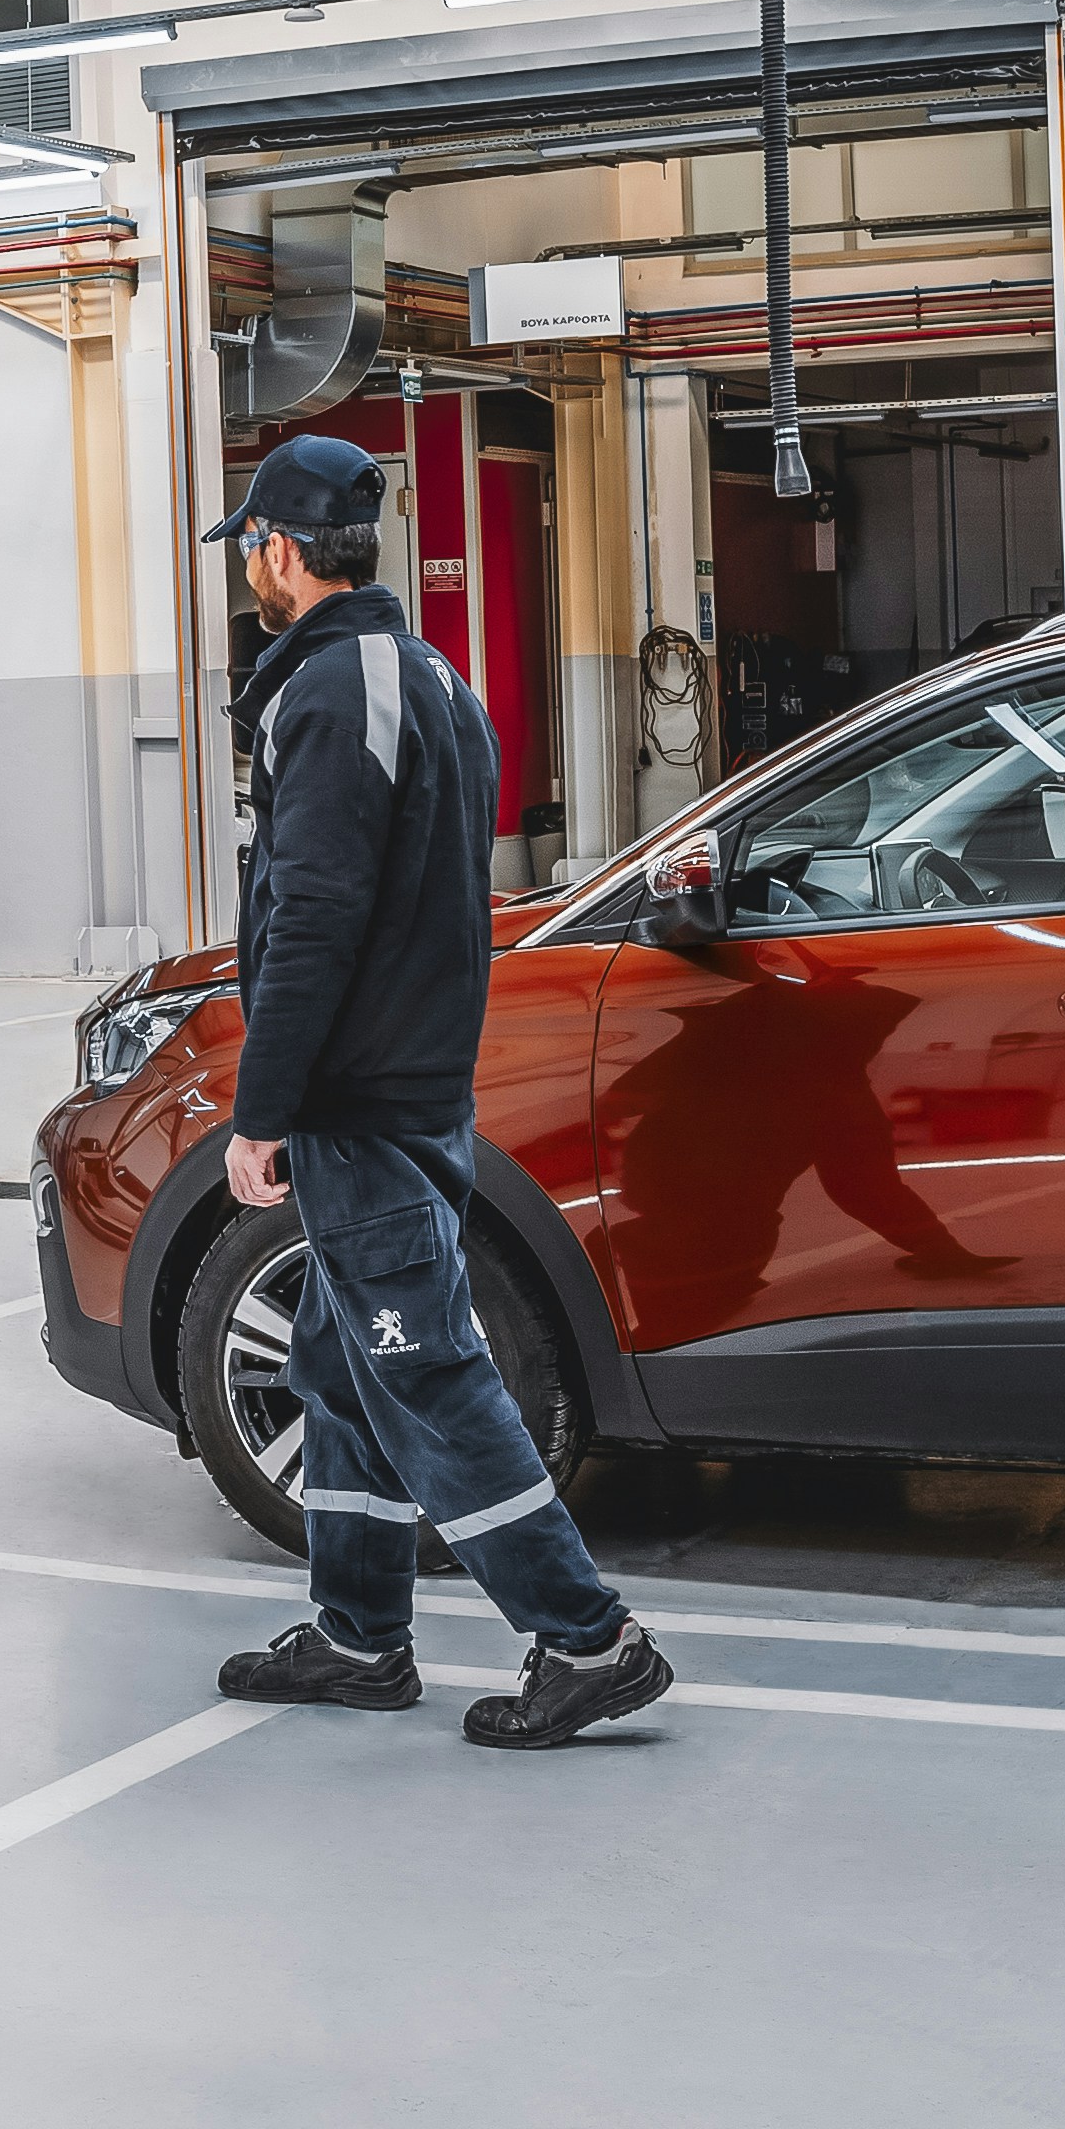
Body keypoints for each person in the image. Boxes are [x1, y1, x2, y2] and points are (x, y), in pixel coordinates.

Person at [197, 431, 673, 1747]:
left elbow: (317, 916)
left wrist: (266, 1104)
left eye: (251, 543)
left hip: (360, 1096)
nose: (249, 562)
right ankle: (359, 1631)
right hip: (418, 1078)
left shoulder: (331, 696)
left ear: (281, 551)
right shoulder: (432, 679)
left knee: (428, 1367)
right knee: (339, 1357)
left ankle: (589, 1639)